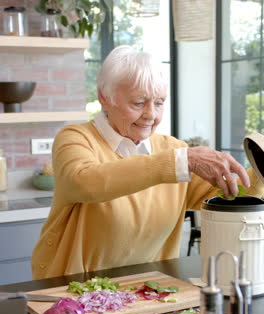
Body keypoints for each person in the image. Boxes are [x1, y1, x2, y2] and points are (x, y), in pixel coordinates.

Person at [31, 45, 263, 280]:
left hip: (146, 288)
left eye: (159, 103)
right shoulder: (76, 138)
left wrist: (258, 172)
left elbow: (231, 193)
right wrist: (180, 161)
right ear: (104, 97)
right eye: (139, 103)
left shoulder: (173, 149)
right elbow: (84, 182)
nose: (151, 114)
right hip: (70, 287)